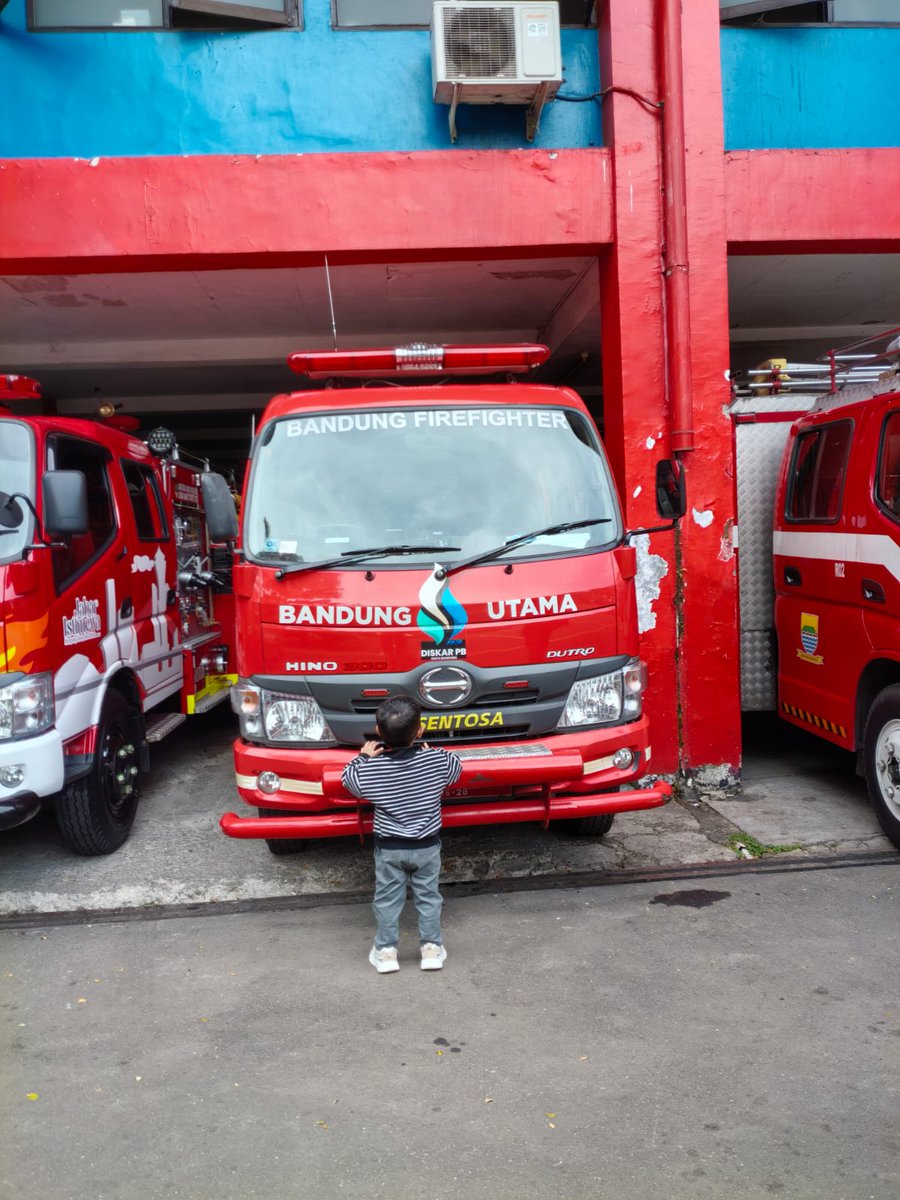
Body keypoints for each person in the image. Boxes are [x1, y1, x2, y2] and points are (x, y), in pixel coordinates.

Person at [341, 695, 462, 974]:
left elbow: (349, 779)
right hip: (427, 847)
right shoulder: (436, 762)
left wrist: (363, 756)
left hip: (390, 849)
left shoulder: (372, 769)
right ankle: (431, 949)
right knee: (428, 897)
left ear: (379, 732)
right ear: (419, 731)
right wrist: (433, 752)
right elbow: (456, 766)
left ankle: (386, 952)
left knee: (387, 899)